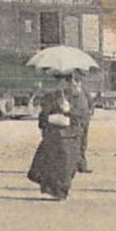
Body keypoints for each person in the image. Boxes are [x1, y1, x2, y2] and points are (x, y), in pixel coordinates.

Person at [27, 72, 81, 200]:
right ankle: (56, 190)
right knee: (56, 164)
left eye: (61, 80)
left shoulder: (74, 96)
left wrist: (68, 111)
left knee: (62, 165)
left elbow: (82, 114)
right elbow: (43, 116)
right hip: (58, 135)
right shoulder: (52, 96)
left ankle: (60, 191)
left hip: (65, 135)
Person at [67, 71, 94, 173]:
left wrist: (91, 109)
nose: (81, 79)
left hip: (85, 118)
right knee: (75, 142)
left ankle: (82, 165)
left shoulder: (84, 87)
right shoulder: (69, 88)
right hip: (75, 118)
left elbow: (90, 100)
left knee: (83, 142)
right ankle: (75, 165)